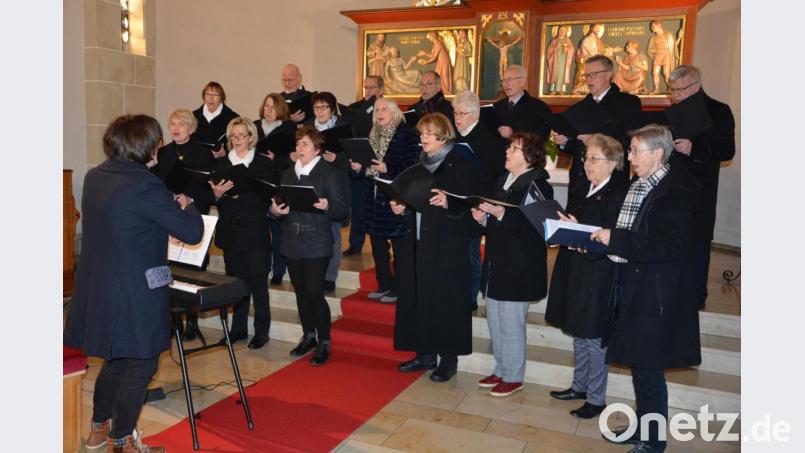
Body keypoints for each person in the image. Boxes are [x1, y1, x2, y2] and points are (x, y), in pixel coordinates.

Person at [64, 114, 203, 453]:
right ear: (145, 147)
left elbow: (128, 219)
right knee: (142, 361)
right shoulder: (145, 183)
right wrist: (189, 205)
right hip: (135, 291)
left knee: (116, 359)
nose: (160, 146)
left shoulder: (97, 176)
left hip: (101, 285)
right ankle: (121, 438)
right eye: (156, 141)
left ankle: (99, 428)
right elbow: (192, 233)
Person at [591, 124, 700, 453]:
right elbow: (628, 230)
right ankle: (642, 423)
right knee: (639, 365)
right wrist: (594, 239)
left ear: (657, 153)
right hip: (634, 283)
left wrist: (616, 239)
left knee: (650, 370)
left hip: (656, 293)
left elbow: (668, 245)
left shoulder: (675, 191)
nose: (630, 157)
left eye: (636, 151)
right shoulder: (641, 185)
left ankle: (653, 442)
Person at [392, 112, 482, 383]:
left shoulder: (461, 163)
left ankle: (448, 359)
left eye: (428, 134)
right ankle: (425, 353)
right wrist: (400, 204)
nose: (423, 138)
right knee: (421, 297)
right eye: (421, 134)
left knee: (446, 301)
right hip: (419, 239)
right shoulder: (419, 163)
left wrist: (450, 204)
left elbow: (473, 202)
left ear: (443, 136)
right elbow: (413, 195)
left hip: (449, 243)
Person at [544, 134, 628, 419]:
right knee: (578, 330)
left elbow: (611, 235)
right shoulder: (587, 187)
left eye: (594, 159)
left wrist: (578, 228)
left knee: (593, 336)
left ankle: (596, 399)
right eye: (586, 158)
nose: (587, 164)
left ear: (613, 162)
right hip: (577, 267)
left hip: (599, 272)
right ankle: (579, 386)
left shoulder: (619, 193)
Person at [471, 131, 553, 398]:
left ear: (529, 157)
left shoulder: (538, 185)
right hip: (497, 260)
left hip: (519, 265)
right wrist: (483, 218)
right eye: (509, 147)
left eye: (514, 149)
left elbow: (536, 229)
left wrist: (502, 213)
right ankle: (501, 368)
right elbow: (498, 221)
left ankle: (514, 375)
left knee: (511, 322)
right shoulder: (503, 180)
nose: (508, 152)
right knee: (495, 319)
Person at [270, 125, 349, 366]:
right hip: (292, 240)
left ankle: (325, 341)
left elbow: (342, 212)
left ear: (316, 148)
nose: (299, 148)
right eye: (297, 144)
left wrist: (328, 206)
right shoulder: (287, 173)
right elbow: (279, 208)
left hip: (317, 241)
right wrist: (274, 211)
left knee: (314, 292)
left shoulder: (330, 173)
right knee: (301, 292)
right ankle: (309, 335)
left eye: (304, 144)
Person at [666, 65, 736, 308]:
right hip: (672, 188)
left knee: (697, 243)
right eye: (671, 91)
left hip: (701, 190)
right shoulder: (672, 113)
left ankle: (695, 297)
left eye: (679, 91)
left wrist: (693, 148)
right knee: (670, 239)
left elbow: (727, 150)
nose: (674, 96)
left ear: (695, 85)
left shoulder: (719, 111)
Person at [209, 117, 276, 350]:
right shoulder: (220, 164)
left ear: (251, 137)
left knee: (258, 282)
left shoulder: (263, 164)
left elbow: (269, 196)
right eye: (233, 136)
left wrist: (239, 195)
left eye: (241, 135)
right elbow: (211, 195)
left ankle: (261, 331)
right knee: (235, 283)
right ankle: (237, 329)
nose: (237, 140)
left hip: (255, 229)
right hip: (230, 230)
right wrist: (217, 195)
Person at [152, 109, 215, 342]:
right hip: (168, 216)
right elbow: (156, 183)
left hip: (193, 216)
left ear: (191, 128)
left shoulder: (202, 154)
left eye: (181, 124)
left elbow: (209, 189)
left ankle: (193, 321)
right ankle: (173, 321)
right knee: (171, 269)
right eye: (173, 124)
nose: (176, 128)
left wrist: (189, 199)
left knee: (193, 270)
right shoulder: (163, 152)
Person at [349, 98, 420, 303]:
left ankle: (398, 287)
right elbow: (364, 169)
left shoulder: (407, 135)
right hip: (372, 198)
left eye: (384, 109)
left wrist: (388, 169)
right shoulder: (371, 135)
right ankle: (384, 284)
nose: (379, 113)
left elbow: (413, 167)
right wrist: (358, 169)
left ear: (395, 113)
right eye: (377, 110)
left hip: (395, 198)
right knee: (377, 245)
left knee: (399, 247)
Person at [551, 54, 641, 206]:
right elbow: (574, 146)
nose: (589, 79)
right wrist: (563, 142)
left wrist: (597, 140)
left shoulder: (627, 103)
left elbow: (630, 141)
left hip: (610, 180)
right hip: (580, 181)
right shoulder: (578, 108)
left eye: (593, 74)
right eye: (587, 75)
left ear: (608, 74)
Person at [452, 90, 508, 305]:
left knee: (471, 254)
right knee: (456, 252)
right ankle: (456, 292)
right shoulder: (454, 136)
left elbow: (495, 176)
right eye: (455, 113)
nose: (457, 118)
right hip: (455, 201)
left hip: (476, 204)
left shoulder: (489, 140)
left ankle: (470, 296)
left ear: (475, 114)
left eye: (463, 113)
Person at [307, 91, 352, 292]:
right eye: (316, 107)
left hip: (335, 183)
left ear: (332, 108)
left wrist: (337, 159)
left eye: (324, 107)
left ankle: (330, 275)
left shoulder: (343, 127)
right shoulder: (307, 127)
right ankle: (313, 271)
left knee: (333, 230)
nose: (319, 111)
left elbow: (353, 160)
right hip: (313, 182)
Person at [255, 93, 298, 286]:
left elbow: (295, 158)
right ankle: (263, 267)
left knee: (278, 230)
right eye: (266, 106)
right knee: (261, 229)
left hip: (280, 182)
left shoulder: (289, 129)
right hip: (259, 183)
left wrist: (276, 160)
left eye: (272, 107)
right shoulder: (254, 127)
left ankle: (279, 270)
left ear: (280, 109)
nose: (268, 110)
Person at [343, 76, 385, 257]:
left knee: (379, 206)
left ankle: (382, 245)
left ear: (381, 90)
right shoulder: (355, 109)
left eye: (373, 88)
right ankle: (355, 243)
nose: (368, 91)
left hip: (379, 161)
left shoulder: (386, 109)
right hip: (359, 158)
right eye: (366, 87)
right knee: (358, 204)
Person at [492, 65, 551, 140]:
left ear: (522, 82)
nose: (506, 84)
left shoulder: (538, 107)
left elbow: (542, 136)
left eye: (510, 79)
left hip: (524, 151)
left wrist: (514, 133)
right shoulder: (497, 106)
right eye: (503, 80)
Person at [192, 81, 239, 158]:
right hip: (197, 160)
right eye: (208, 94)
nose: (211, 98)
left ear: (221, 98)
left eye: (215, 95)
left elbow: (239, 142)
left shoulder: (233, 118)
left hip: (222, 162)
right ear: (204, 97)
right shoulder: (193, 116)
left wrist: (224, 152)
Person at [647, 21, 680, 94]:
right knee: (655, 73)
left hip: (667, 55)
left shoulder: (668, 35)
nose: (652, 28)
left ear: (659, 26)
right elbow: (650, 50)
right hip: (658, 56)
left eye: (653, 26)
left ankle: (671, 88)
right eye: (651, 26)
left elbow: (674, 46)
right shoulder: (653, 38)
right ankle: (656, 89)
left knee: (666, 73)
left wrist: (679, 38)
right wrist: (654, 53)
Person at [545, 25, 575, 95]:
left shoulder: (567, 40)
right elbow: (549, 51)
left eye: (563, 31)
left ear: (566, 32)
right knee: (554, 73)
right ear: (557, 31)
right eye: (560, 30)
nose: (561, 32)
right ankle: (553, 89)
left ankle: (562, 89)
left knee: (562, 74)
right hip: (555, 61)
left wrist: (566, 49)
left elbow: (572, 49)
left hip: (563, 61)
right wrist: (555, 48)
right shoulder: (554, 41)